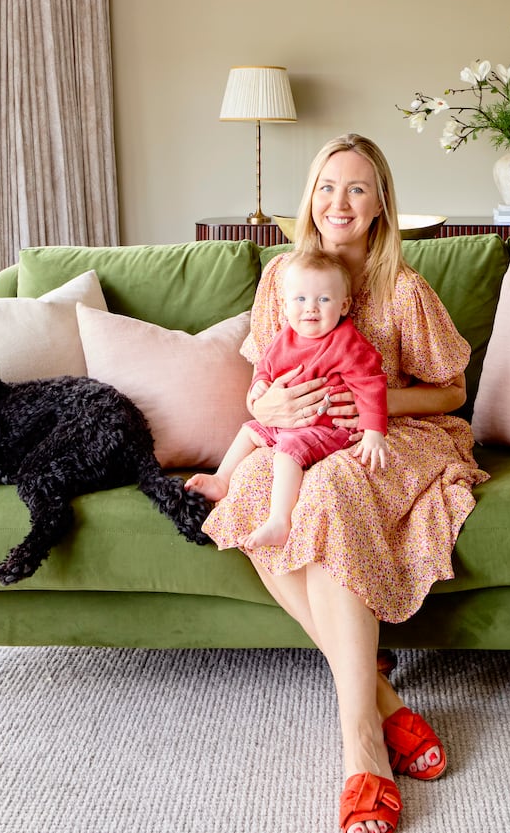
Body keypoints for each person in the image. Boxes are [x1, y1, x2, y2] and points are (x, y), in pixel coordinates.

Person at [201, 133, 488, 833]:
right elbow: (262, 384)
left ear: (380, 205)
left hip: (391, 435)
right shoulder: (281, 278)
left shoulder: (404, 289)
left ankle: (361, 750)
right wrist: (261, 409)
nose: (339, 202)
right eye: (328, 186)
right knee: (254, 492)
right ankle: (386, 700)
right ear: (310, 196)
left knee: (327, 489)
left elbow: (451, 391)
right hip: (296, 436)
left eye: (357, 188)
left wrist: (374, 405)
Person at [186, 249, 390, 550]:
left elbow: (372, 386)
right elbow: (266, 369)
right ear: (284, 305)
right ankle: (222, 478)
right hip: (286, 423)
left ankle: (280, 521)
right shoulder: (285, 337)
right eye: (301, 299)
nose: (311, 309)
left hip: (328, 427)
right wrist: (260, 386)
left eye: (323, 299)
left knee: (287, 451)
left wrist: (374, 432)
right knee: (250, 430)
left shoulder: (347, 343)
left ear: (344, 305)